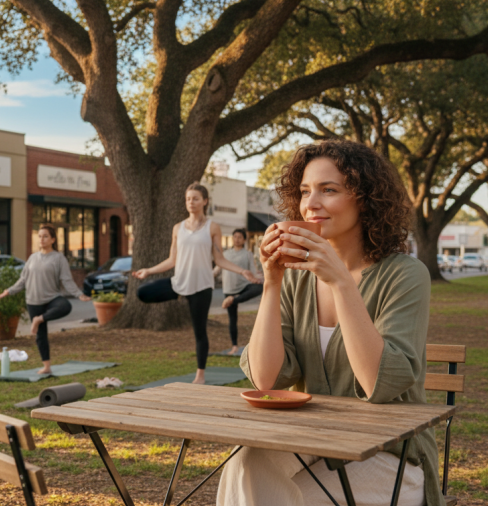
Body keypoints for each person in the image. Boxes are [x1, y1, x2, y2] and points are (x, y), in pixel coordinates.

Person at [217, 139, 440, 506]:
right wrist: (272, 282)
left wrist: (340, 281)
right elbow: (266, 380)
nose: (311, 204)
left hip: (390, 456)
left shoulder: (405, 275)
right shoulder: (297, 277)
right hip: (314, 440)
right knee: (244, 466)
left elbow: (379, 384)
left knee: (291, 496)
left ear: (365, 199)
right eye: (305, 191)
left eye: (328, 190)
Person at [133, 182, 260, 384]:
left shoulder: (213, 227)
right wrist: (149, 270)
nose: (191, 202)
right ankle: (179, 293)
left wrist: (242, 270)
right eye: (188, 199)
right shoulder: (178, 228)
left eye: (195, 198)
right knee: (143, 292)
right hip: (179, 282)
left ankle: (200, 375)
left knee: (199, 331)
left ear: (205, 201)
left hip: (201, 286)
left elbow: (219, 259)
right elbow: (172, 260)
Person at [0, 223, 91, 374]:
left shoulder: (58, 258)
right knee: (41, 336)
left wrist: (78, 294)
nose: (41, 239)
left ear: (53, 239)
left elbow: (67, 280)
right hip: (33, 300)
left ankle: (39, 319)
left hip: (52, 298)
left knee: (65, 306)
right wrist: (8, 291)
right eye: (40, 236)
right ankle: (47, 366)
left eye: (45, 236)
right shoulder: (32, 258)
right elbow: (23, 280)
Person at [212, 228, 263, 356]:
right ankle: (234, 346)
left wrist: (258, 279)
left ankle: (234, 300)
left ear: (244, 239)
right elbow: (217, 269)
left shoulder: (247, 254)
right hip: (229, 288)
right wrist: (207, 278)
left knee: (260, 288)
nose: (237, 239)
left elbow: (253, 269)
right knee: (232, 319)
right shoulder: (225, 254)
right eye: (235, 237)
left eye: (240, 237)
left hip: (243, 286)